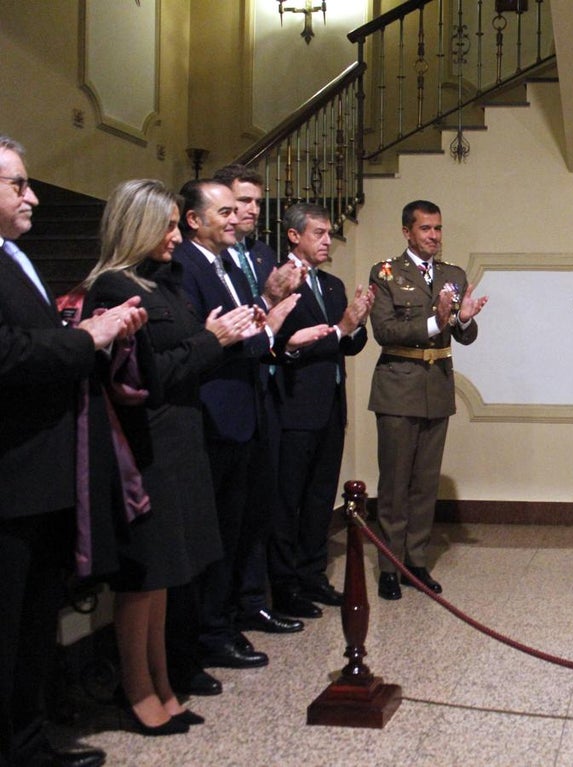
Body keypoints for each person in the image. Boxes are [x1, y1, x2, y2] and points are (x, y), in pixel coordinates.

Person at [82, 179, 260, 736]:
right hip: (145, 444)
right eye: (164, 225)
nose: (173, 235)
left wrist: (208, 340)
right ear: (137, 227)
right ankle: (137, 691)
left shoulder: (158, 283)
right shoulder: (113, 287)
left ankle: (163, 682)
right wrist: (214, 341)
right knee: (144, 577)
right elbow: (147, 378)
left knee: (167, 575)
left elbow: (175, 355)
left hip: (178, 439)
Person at [0, 136, 146, 767]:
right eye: (18, 185)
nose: (32, 195)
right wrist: (86, 337)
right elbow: (7, 354)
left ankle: (29, 741)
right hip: (11, 473)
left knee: (34, 619)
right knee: (9, 625)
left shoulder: (14, 256)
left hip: (40, 470)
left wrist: (96, 337)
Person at [170, 179, 314, 678]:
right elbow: (206, 341)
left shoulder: (231, 262)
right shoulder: (185, 266)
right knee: (216, 534)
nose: (236, 219)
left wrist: (266, 324)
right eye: (225, 211)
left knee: (240, 526)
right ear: (194, 220)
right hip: (213, 412)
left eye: (238, 211)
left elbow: (247, 330)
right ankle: (209, 631)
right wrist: (268, 326)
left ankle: (227, 618)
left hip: (245, 409)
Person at [368, 200, 487, 600]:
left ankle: (415, 561)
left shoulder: (453, 274)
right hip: (398, 386)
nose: (434, 236)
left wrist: (465, 318)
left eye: (438, 229)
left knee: (424, 483)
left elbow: (464, 335)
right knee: (395, 482)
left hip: (437, 386)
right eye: (425, 229)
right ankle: (389, 564)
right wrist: (437, 320)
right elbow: (385, 330)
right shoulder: (385, 273)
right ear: (407, 232)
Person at [212, 164, 311, 633]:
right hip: (232, 386)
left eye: (255, 201)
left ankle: (254, 600)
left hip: (265, 382)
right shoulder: (218, 257)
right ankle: (233, 607)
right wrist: (269, 299)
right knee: (233, 509)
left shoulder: (261, 251)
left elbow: (270, 319)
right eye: (239, 202)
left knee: (260, 501)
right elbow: (243, 319)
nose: (250, 210)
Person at [270, 203, 372, 612]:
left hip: (330, 406)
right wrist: (341, 329)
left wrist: (358, 323)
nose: (328, 240)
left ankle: (313, 575)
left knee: (319, 498)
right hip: (294, 405)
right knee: (288, 499)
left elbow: (347, 344)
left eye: (330, 233)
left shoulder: (330, 285)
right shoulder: (279, 282)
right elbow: (286, 343)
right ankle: (285, 585)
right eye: (318, 233)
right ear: (294, 236)